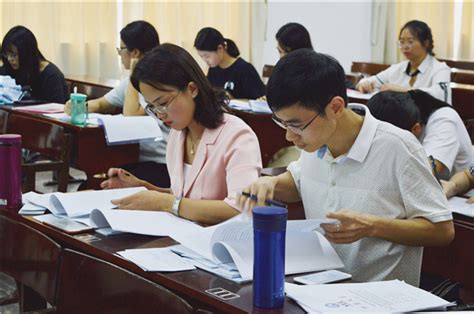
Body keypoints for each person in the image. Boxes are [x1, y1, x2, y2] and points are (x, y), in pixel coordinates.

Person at [237, 49, 454, 286]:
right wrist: (271, 183)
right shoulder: (316, 141)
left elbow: (442, 230)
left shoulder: (398, 147)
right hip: (317, 288)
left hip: (379, 299)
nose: (289, 136)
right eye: (282, 123)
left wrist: (371, 226)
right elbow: (299, 184)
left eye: (296, 125)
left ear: (336, 107)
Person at [100, 43, 262, 225]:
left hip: (220, 245)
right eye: (152, 107)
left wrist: (166, 203)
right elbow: (184, 197)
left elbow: (241, 208)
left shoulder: (237, 136)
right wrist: (145, 188)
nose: (160, 115)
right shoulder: (178, 133)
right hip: (182, 239)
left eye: (163, 103)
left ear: (192, 89)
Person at [65, 20, 170, 188]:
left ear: (134, 53)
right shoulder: (130, 82)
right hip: (138, 159)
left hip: (162, 164)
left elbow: (130, 117)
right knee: (90, 185)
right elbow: (101, 104)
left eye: (121, 50)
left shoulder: (159, 82)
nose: (120, 55)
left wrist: (135, 72)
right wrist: (77, 106)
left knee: (97, 186)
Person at [367, 90, 472, 180]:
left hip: (461, 195)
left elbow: (425, 173)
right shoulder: (401, 112)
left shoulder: (444, 119)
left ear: (416, 129)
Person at [356, 20, 451, 104]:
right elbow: (371, 80)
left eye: (410, 41)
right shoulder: (398, 68)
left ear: (426, 43)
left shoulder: (440, 69)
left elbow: (441, 96)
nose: (405, 47)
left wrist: (403, 90)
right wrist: (364, 83)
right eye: (401, 42)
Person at [1, 25, 68, 103]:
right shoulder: (8, 68)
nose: (9, 59)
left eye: (14, 55)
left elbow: (57, 108)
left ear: (27, 53)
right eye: (7, 54)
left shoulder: (50, 75)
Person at [194, 27, 265, 100]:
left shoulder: (244, 69)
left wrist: (233, 100)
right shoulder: (213, 69)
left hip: (238, 111)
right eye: (201, 57)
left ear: (220, 49)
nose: (205, 60)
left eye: (207, 56)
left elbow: (260, 100)